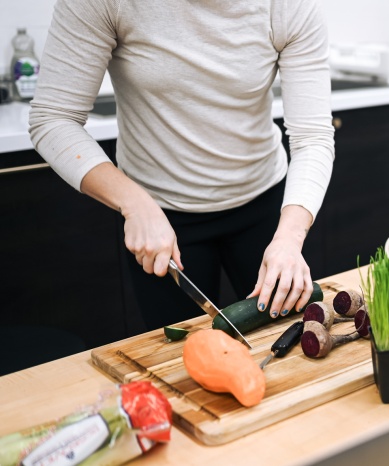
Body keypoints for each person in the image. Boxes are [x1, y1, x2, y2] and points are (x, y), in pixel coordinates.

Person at [28, 0, 335, 331]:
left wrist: (289, 238)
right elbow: (53, 118)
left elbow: (313, 137)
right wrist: (134, 204)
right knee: (179, 358)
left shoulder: (288, 6)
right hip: (160, 220)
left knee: (289, 338)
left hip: (266, 209)